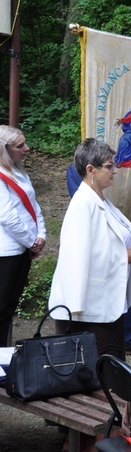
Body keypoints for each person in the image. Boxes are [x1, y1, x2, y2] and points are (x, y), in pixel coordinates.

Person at [48, 139, 131, 359]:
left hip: (105, 303)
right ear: (90, 170)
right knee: (97, 369)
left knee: (110, 368)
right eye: (109, 166)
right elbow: (76, 258)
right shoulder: (82, 204)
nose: (115, 171)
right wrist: (124, 257)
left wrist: (130, 256)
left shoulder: (101, 200)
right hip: (89, 309)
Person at [0, 126, 46, 346]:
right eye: (20, 146)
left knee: (8, 308)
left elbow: (33, 205)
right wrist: (31, 241)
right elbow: (7, 216)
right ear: (5, 149)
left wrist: (41, 235)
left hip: (21, 250)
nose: (26, 148)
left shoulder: (18, 171)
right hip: (5, 253)